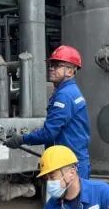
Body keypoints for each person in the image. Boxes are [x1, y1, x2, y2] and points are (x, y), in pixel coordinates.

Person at [6, 46, 91, 178]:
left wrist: (21, 139)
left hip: (68, 166)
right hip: (72, 161)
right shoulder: (69, 91)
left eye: (57, 65)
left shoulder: (64, 96)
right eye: (51, 64)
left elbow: (49, 134)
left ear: (70, 71)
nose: (51, 68)